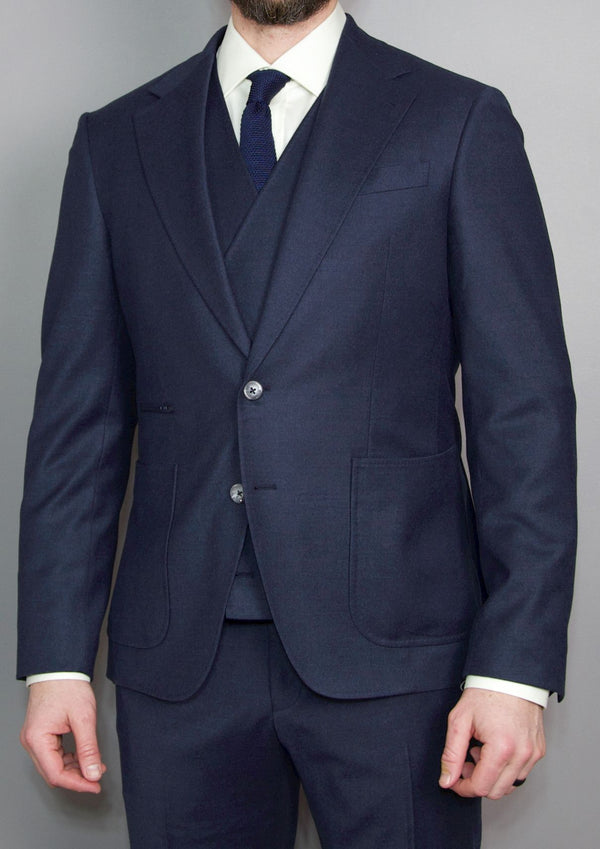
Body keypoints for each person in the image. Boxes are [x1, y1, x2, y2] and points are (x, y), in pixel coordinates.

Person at [18, 1, 577, 847]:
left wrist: (515, 667)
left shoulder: (457, 120)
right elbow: (76, 423)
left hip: (401, 654)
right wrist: (57, 658)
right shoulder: (116, 141)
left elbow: (524, 412)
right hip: (180, 660)